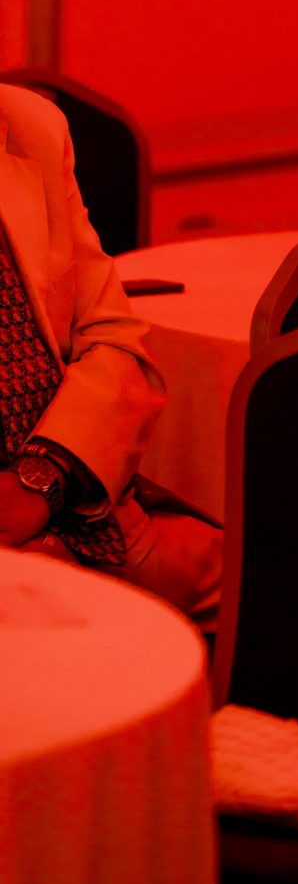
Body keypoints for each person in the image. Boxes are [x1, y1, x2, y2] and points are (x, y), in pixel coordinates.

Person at [0, 82, 221, 631]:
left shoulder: (26, 126)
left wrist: (42, 478)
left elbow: (114, 337)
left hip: (90, 507)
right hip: (21, 569)